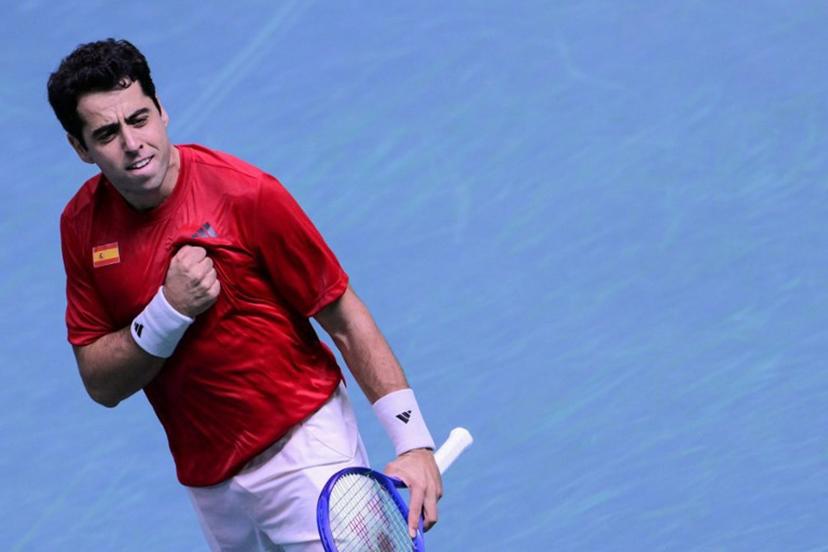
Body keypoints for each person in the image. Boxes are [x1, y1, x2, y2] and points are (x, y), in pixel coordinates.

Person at [49, 38, 442, 551]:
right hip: (208, 481)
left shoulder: (246, 194)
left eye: (139, 118)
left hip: (305, 454)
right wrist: (167, 314)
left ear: (162, 111)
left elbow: (343, 316)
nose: (132, 143)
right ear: (81, 149)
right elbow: (100, 382)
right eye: (106, 133)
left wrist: (412, 442)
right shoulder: (81, 226)